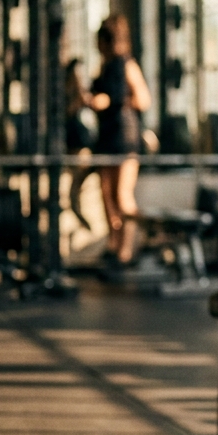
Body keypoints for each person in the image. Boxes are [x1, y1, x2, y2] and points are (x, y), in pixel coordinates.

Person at [89, 15, 150, 265]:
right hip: (106, 136)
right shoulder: (104, 67)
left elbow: (143, 100)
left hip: (124, 137)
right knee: (106, 194)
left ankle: (127, 249)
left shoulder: (127, 65)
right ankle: (114, 244)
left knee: (123, 194)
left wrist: (114, 102)